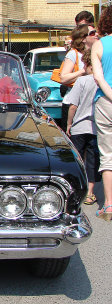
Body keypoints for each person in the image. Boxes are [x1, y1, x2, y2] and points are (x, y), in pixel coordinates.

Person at [66, 49, 101, 206]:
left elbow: (73, 105)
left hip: (79, 126)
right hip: (96, 127)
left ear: (87, 64)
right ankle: (91, 193)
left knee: (77, 159)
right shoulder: (103, 80)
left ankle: (75, 190)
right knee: (93, 161)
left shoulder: (82, 81)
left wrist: (68, 124)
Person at [91, 5, 112, 221]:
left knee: (107, 154)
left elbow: (98, 77)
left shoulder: (99, 44)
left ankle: (108, 204)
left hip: (106, 102)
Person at [59, 24, 98, 132]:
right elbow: (63, 78)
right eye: (92, 33)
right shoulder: (74, 54)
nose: (96, 35)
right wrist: (83, 71)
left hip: (91, 103)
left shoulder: (97, 51)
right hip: (74, 104)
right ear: (83, 38)